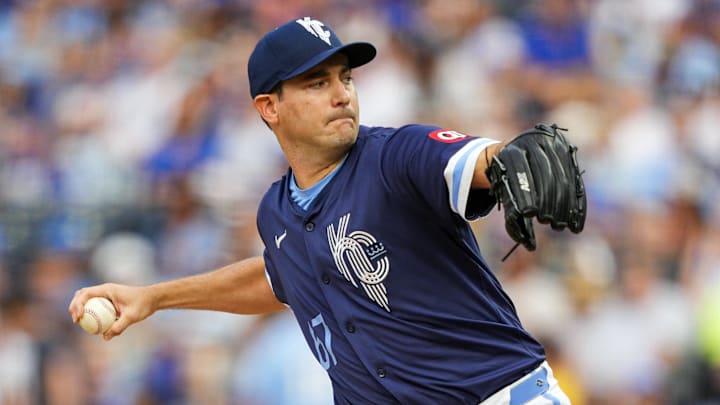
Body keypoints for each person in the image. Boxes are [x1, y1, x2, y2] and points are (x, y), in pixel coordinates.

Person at [69, 16, 573, 404]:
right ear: (270, 107)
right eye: (316, 83)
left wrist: (505, 158)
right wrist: (153, 298)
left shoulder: (396, 157)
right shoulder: (276, 211)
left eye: (345, 78)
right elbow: (277, 276)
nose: (341, 95)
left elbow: (471, 160)